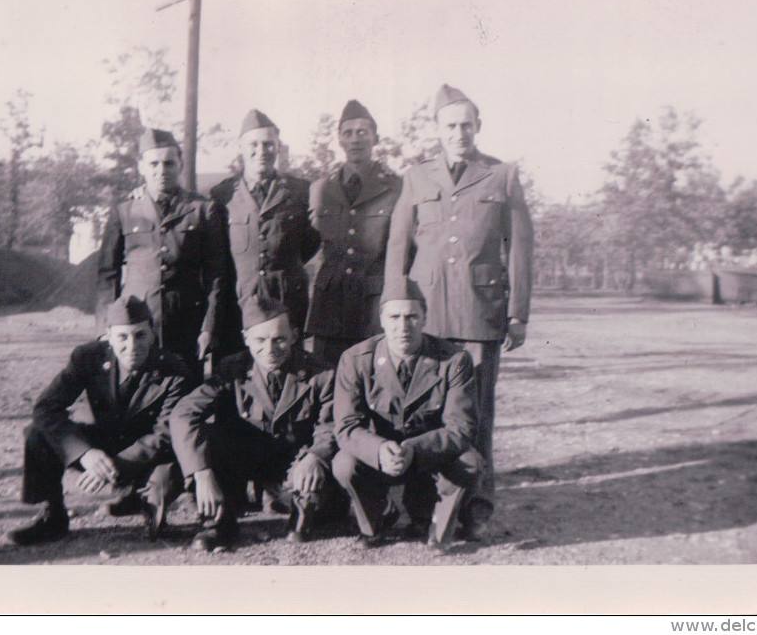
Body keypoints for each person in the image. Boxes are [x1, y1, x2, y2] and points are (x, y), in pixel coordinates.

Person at [384, 84, 534, 540]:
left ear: (478, 126)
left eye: (466, 124)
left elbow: (521, 247)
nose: (459, 133)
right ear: (437, 130)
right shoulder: (416, 177)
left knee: (477, 414)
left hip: (478, 313)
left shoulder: (502, 175)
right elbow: (398, 245)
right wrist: (394, 306)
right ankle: (422, 502)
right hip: (426, 314)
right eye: (449, 125)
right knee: (425, 414)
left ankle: (477, 506)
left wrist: (518, 312)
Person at [8, 296, 195, 545]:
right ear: (108, 336)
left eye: (140, 335)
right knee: (37, 432)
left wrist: (114, 465)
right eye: (122, 337)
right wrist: (84, 453)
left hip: (148, 454)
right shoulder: (88, 358)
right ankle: (52, 517)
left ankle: (144, 503)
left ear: (152, 333)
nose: (132, 346)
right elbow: (46, 408)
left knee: (166, 477)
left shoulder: (174, 370)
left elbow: (165, 434)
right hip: (103, 443)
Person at [169, 297, 339, 551]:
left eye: (279, 339)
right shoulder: (231, 369)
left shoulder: (320, 373)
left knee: (318, 501)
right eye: (260, 340)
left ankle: (303, 511)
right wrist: (201, 471)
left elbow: (332, 423)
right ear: (246, 338)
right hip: (243, 462)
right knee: (208, 438)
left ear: (294, 335)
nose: (269, 349)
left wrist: (316, 456)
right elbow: (183, 414)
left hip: (294, 464)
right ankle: (218, 521)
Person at [332, 279, 482, 552]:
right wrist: (378, 449)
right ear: (381, 320)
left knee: (470, 461)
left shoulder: (454, 359)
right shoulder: (356, 359)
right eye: (394, 317)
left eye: (412, 316)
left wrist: (413, 449)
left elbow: (461, 427)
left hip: (428, 457)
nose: (403, 327)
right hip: (381, 459)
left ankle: (435, 523)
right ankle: (375, 520)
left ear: (425, 317)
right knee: (344, 463)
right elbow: (346, 426)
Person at [97, 128, 230, 383]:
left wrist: (209, 327)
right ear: (141, 167)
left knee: (183, 394)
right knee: (135, 397)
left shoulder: (202, 210)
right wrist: (107, 326)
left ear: (180, 164)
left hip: (186, 324)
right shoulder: (124, 211)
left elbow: (217, 275)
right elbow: (107, 274)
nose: (161, 170)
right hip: (135, 325)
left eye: (169, 163)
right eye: (153, 163)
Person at [307, 99, 403, 366]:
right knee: (327, 383)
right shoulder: (320, 189)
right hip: (330, 307)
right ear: (339, 140)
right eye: (348, 133)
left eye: (363, 132)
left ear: (375, 138)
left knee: (374, 380)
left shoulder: (396, 188)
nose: (355, 139)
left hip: (373, 307)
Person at [210, 110, 321, 335]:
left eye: (268, 144)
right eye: (253, 144)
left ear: (278, 147)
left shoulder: (300, 191)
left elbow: (311, 241)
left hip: (287, 304)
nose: (261, 151)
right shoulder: (221, 195)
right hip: (238, 306)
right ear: (240, 147)